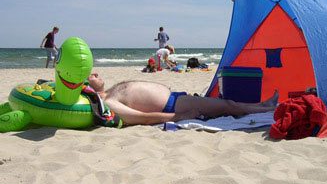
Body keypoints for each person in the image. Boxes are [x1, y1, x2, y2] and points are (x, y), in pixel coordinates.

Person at [87, 73, 279, 126]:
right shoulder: (110, 103)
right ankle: (267, 109)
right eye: (91, 76)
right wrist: (178, 116)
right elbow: (141, 117)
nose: (95, 73)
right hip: (175, 104)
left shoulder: (112, 91)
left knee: (227, 105)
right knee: (228, 105)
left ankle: (261, 105)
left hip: (177, 98)